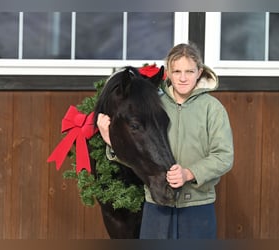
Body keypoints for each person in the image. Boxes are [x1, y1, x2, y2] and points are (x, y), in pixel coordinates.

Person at [97, 42, 234, 239]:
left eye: (189, 71)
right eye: (177, 71)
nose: (183, 77)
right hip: (157, 206)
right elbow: (140, 150)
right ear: (167, 73)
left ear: (200, 72)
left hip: (197, 205)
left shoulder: (212, 109)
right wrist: (111, 141)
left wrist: (189, 174)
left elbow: (224, 156)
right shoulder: (154, 105)